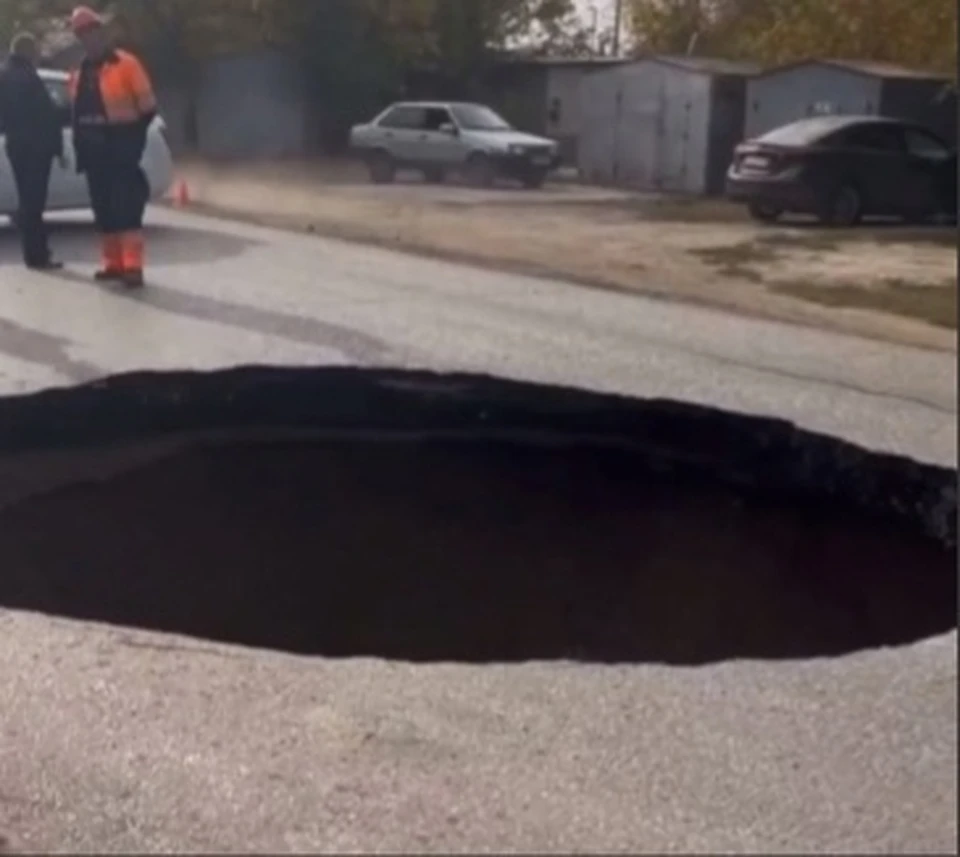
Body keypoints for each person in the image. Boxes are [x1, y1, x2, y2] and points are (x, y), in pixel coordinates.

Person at [68, 5, 157, 288]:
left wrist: (130, 144)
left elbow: (147, 109)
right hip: (95, 155)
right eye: (82, 35)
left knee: (126, 208)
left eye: (91, 32)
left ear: (101, 32)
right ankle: (113, 264)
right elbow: (77, 115)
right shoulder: (79, 72)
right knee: (103, 210)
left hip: (121, 150)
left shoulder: (126, 64)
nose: (88, 39)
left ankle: (133, 267)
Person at [0, 32, 65, 270]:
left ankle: (34, 252)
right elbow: (46, 114)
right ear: (27, 51)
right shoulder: (28, 76)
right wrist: (57, 147)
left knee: (28, 201)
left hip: (16, 145)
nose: (38, 55)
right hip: (36, 147)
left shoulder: (4, 75)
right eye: (35, 51)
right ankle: (37, 255)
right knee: (34, 202)